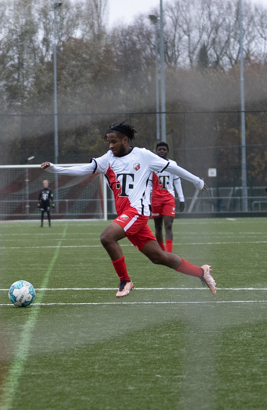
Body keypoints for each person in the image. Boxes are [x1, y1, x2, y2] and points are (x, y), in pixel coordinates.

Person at [41, 123, 216, 298]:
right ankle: (201, 273)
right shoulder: (108, 159)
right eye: (109, 142)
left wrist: (196, 181)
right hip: (126, 215)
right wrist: (55, 168)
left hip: (137, 212)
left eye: (114, 142)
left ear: (125, 140)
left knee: (107, 237)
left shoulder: (144, 155)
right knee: (158, 257)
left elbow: (172, 167)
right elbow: (84, 169)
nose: (110, 146)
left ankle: (125, 281)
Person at [150, 142, 184, 252]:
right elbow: (148, 184)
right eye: (159, 149)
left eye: (164, 149)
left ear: (167, 151)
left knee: (168, 225)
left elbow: (177, 181)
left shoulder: (173, 164)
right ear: (156, 151)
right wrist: (147, 200)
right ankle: (161, 252)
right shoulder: (152, 164)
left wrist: (181, 198)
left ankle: (169, 253)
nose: (162, 151)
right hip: (155, 198)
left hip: (169, 198)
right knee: (158, 226)